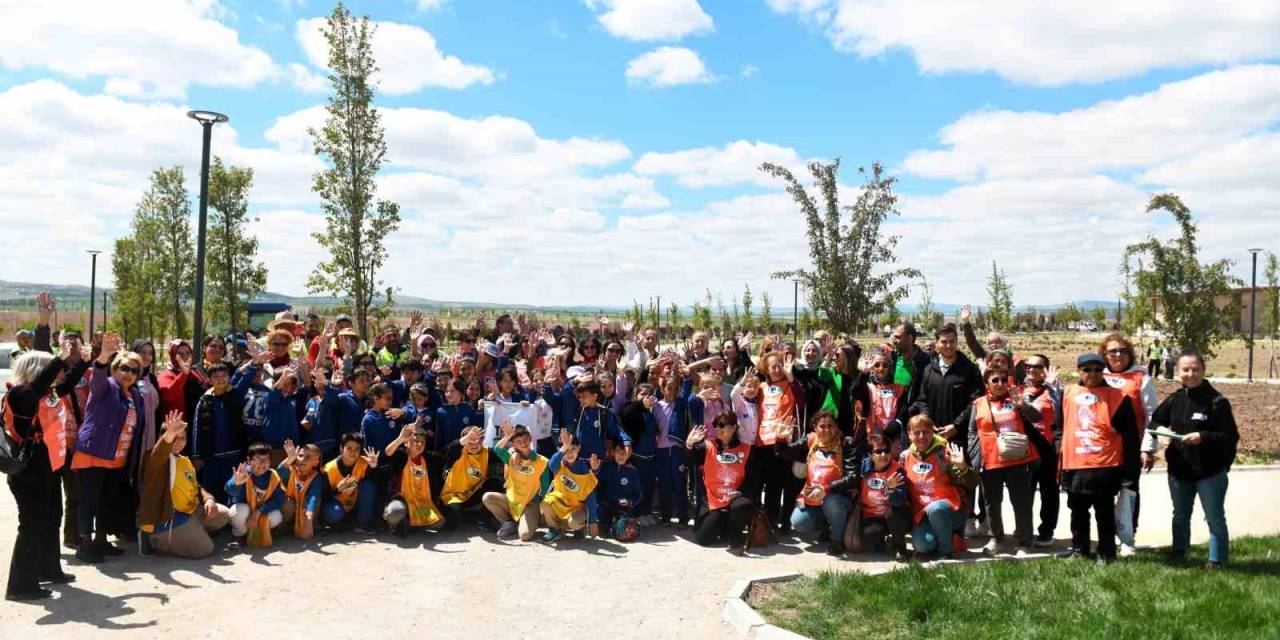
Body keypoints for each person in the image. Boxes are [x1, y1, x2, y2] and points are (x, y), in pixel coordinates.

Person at [4, 331, 86, 600]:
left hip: (47, 467)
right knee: (32, 523)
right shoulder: (20, 395)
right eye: (53, 368)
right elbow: (38, 388)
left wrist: (88, 360)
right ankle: (20, 586)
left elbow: (68, 385)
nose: (60, 373)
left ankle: (48, 569)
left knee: (52, 517)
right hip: (28, 472)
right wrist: (60, 358)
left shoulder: (46, 394)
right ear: (37, 372)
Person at [1149, 350, 1238, 569]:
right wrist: (1161, 432)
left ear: (1203, 370)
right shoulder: (1175, 399)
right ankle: (1180, 552)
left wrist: (1203, 436)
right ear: (1178, 372)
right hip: (1179, 470)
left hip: (1210, 472)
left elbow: (1230, 436)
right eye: (1185, 369)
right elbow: (1154, 422)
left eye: (1195, 369)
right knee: (1180, 515)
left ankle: (1216, 560)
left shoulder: (1217, 401)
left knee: (1214, 517)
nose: (1191, 373)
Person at [72, 332, 147, 563]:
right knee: (89, 501)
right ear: (115, 368)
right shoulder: (106, 386)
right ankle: (85, 544)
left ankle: (101, 542)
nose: (129, 374)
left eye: (134, 371)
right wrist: (103, 356)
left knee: (106, 502)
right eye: (124, 368)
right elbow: (96, 378)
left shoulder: (135, 394)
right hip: (93, 455)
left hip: (117, 459)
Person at [1060, 353, 1140, 565]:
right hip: (1075, 464)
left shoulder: (1118, 396)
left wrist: (1131, 470)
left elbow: (1131, 437)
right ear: (1078, 371)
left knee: (1103, 512)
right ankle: (1080, 548)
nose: (1093, 374)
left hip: (1105, 465)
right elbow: (1060, 426)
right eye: (1087, 369)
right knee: (1077, 511)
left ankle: (1106, 553)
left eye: (1098, 369)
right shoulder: (1068, 393)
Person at [959, 367, 1046, 555]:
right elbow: (972, 431)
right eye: (995, 380)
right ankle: (996, 538)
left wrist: (1022, 405)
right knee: (992, 503)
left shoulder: (1017, 398)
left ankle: (1024, 541)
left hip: (1018, 459)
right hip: (990, 461)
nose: (1000, 384)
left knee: (1021, 502)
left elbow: (1037, 418)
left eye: (1003, 380)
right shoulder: (978, 403)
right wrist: (975, 455)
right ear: (986, 383)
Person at [137, 411, 232, 559]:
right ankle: (154, 540)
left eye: (182, 438)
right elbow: (159, 452)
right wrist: (169, 435)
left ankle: (190, 532)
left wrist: (209, 499)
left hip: (190, 512)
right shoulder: (155, 459)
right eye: (174, 437)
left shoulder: (185, 460)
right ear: (163, 437)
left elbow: (196, 487)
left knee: (224, 514)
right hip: (169, 517)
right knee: (205, 549)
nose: (178, 441)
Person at [919, 323, 984, 536]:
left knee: (962, 477)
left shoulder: (969, 370)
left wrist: (956, 426)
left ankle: (967, 518)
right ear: (937, 343)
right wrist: (928, 421)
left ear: (957, 342)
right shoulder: (930, 369)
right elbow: (922, 399)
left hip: (960, 435)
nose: (948, 345)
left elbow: (975, 401)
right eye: (944, 341)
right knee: (937, 478)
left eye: (952, 341)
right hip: (933, 436)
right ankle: (938, 520)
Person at [1097, 332, 1157, 557]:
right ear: (1104, 354)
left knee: (1129, 493)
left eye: (1122, 350)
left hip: (1131, 447)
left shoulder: (1140, 377)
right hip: (1102, 449)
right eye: (1112, 351)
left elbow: (1152, 414)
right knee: (1103, 494)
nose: (1118, 355)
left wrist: (1148, 448)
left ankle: (1128, 539)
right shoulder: (1096, 375)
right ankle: (1105, 539)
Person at [901, 415, 977, 561]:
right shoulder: (905, 457)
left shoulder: (944, 453)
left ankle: (945, 551)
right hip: (923, 514)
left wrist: (963, 467)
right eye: (917, 432)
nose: (922, 436)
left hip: (949, 510)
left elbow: (973, 483)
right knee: (921, 545)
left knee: (936, 509)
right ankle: (952, 538)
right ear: (909, 434)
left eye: (926, 431)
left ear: (933, 433)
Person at [782, 411, 858, 555]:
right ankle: (827, 529)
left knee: (831, 502)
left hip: (839, 498)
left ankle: (837, 540)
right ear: (815, 428)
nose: (827, 429)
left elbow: (853, 477)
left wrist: (826, 489)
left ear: (836, 427)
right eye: (822, 426)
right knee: (798, 522)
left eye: (831, 425)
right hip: (813, 499)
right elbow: (787, 453)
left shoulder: (846, 443)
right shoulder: (811, 440)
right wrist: (780, 440)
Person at [686, 411, 762, 554]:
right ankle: (722, 523)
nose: (718, 428)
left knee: (742, 504)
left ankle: (734, 539)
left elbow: (754, 479)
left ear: (734, 428)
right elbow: (690, 461)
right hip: (713, 498)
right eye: (715, 425)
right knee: (703, 539)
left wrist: (739, 492)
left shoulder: (747, 449)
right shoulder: (708, 446)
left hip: (736, 498)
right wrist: (689, 444)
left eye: (722, 425)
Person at [482, 421, 551, 541]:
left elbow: (545, 486)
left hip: (531, 504)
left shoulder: (542, 461)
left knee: (525, 536)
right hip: (512, 500)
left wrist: (542, 507)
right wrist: (508, 436)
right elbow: (498, 449)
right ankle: (509, 523)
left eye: (525, 439)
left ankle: (530, 520)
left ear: (530, 438)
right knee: (488, 497)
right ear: (512, 444)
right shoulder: (510, 457)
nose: (523, 443)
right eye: (518, 441)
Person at [1021, 354, 1062, 546]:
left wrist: (1054, 387)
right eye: (1028, 365)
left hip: (1047, 447)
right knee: (1024, 492)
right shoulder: (1020, 389)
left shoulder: (1054, 390)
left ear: (1045, 369)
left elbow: (1062, 410)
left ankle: (1046, 531)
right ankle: (1025, 529)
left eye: (1037, 366)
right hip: (1025, 448)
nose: (1031, 369)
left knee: (1049, 492)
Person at [853, 434, 911, 561]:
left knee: (894, 514)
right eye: (878, 451)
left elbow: (899, 501)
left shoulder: (897, 470)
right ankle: (883, 544)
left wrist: (891, 489)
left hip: (894, 514)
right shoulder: (862, 468)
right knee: (870, 535)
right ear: (870, 454)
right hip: (871, 515)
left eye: (886, 451)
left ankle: (899, 547)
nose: (883, 455)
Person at [382, 424, 446, 536]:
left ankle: (411, 524)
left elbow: (448, 452)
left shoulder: (429, 458)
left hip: (422, 504)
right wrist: (400, 438)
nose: (419, 444)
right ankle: (395, 524)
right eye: (415, 441)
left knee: (440, 523)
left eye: (422, 442)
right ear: (406, 443)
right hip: (402, 501)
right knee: (395, 512)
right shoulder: (401, 456)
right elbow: (388, 452)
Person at [438, 426, 505, 531]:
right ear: (464, 442)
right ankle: (468, 515)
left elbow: (504, 455)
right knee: (453, 521)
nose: (474, 445)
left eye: (477, 441)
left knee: (494, 483)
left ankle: (485, 519)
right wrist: (467, 437)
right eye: (470, 441)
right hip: (452, 496)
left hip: (473, 493)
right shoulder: (457, 451)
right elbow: (450, 448)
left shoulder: (487, 452)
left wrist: (509, 439)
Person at [539, 432, 601, 542]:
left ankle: (579, 529)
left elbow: (590, 497)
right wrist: (564, 447)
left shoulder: (583, 469)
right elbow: (551, 465)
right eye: (566, 449)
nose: (570, 453)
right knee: (545, 503)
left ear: (579, 448)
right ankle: (554, 529)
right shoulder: (559, 463)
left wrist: (593, 522)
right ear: (560, 448)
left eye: (573, 448)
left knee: (575, 522)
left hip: (576, 508)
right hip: (560, 503)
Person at [225, 442, 285, 549]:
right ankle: (239, 535)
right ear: (249, 461)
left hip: (261, 511)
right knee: (239, 510)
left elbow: (279, 500)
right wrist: (236, 483)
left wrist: (259, 511)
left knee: (276, 516)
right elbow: (229, 490)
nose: (262, 463)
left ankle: (259, 532)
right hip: (245, 512)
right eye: (257, 460)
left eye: (266, 460)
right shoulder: (243, 473)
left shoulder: (273, 476)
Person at [321, 432, 380, 531]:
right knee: (333, 513)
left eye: (357, 449)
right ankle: (337, 524)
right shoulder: (329, 469)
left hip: (354, 502)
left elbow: (376, 484)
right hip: (336, 504)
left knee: (368, 486)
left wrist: (373, 467)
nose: (353, 452)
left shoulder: (363, 463)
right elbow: (322, 497)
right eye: (349, 448)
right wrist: (337, 490)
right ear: (341, 448)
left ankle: (363, 523)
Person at [277, 439, 323, 540]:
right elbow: (279, 471)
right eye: (301, 456)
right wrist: (289, 459)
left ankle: (312, 524)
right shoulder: (291, 469)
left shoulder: (316, 476)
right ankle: (282, 526)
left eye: (309, 457)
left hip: (304, 508)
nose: (303, 460)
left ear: (316, 463)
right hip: (289, 506)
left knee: (317, 502)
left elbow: (313, 496)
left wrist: (309, 515)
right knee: (288, 504)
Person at [597, 440, 642, 539]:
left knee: (625, 530)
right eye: (618, 452)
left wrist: (630, 502)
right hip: (607, 505)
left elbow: (638, 493)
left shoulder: (632, 471)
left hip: (624, 507)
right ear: (613, 452)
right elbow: (597, 486)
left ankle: (621, 526)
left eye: (624, 453)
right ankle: (605, 527)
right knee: (602, 515)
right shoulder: (606, 468)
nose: (621, 455)